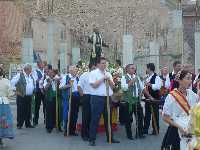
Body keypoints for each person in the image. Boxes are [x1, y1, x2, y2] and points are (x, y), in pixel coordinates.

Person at [161, 70, 199, 150]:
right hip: (176, 130)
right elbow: (165, 117)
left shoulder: (191, 94)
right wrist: (180, 127)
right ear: (180, 80)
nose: (190, 81)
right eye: (188, 78)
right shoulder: (171, 96)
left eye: (191, 79)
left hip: (191, 129)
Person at [88, 57, 120, 146]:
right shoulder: (93, 73)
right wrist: (103, 78)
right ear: (98, 64)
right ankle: (92, 139)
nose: (104, 65)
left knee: (108, 119)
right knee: (95, 119)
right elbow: (94, 85)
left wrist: (109, 79)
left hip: (107, 98)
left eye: (105, 63)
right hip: (97, 98)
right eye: (102, 63)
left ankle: (110, 137)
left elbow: (113, 87)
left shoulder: (108, 73)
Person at [120, 64, 147, 140]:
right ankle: (129, 135)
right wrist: (132, 81)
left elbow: (142, 87)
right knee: (128, 119)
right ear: (127, 69)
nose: (134, 70)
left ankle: (140, 133)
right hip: (128, 101)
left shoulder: (137, 77)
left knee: (140, 117)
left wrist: (141, 94)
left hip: (136, 100)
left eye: (134, 68)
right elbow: (124, 88)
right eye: (132, 68)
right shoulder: (124, 77)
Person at [11, 64, 35, 129]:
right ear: (26, 69)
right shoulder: (20, 75)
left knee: (28, 110)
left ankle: (28, 123)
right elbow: (12, 83)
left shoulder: (30, 76)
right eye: (30, 69)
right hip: (21, 96)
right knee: (21, 110)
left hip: (29, 96)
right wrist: (16, 91)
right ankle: (19, 124)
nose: (31, 70)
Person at [78, 63, 96, 141]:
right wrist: (83, 96)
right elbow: (79, 86)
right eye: (93, 68)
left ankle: (90, 132)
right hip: (87, 96)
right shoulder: (84, 75)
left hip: (95, 97)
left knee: (92, 117)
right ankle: (84, 134)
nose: (95, 70)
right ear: (89, 68)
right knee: (86, 116)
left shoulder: (98, 76)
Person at [60, 66, 80, 136]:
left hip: (76, 97)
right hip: (68, 97)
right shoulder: (66, 77)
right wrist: (69, 85)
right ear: (70, 71)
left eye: (76, 71)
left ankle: (72, 130)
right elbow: (61, 87)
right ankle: (66, 129)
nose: (76, 72)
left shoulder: (77, 78)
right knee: (67, 114)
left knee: (74, 115)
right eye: (74, 71)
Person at [143, 63, 162, 135]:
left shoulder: (157, 77)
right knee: (147, 115)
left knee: (155, 115)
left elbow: (158, 86)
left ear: (149, 68)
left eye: (147, 68)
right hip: (147, 98)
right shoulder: (147, 77)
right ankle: (145, 130)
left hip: (154, 98)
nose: (146, 69)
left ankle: (155, 130)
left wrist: (149, 84)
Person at [0, 68, 14, 147]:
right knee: (4, 120)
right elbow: (10, 93)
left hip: (3, 102)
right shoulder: (6, 81)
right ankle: (1, 138)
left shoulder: (6, 81)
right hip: (4, 103)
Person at [43, 69, 57, 133]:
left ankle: (54, 124)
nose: (51, 74)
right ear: (48, 74)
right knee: (49, 112)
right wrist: (49, 82)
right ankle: (48, 127)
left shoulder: (55, 79)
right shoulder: (46, 80)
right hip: (49, 98)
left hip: (55, 98)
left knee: (54, 112)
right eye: (50, 73)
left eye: (52, 73)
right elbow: (45, 88)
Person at [32, 61, 45, 126]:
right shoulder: (35, 71)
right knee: (37, 106)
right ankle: (35, 120)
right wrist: (43, 80)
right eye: (41, 64)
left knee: (46, 106)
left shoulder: (45, 71)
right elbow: (36, 80)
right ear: (38, 65)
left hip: (45, 90)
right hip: (38, 91)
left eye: (43, 64)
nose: (42, 65)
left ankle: (46, 120)